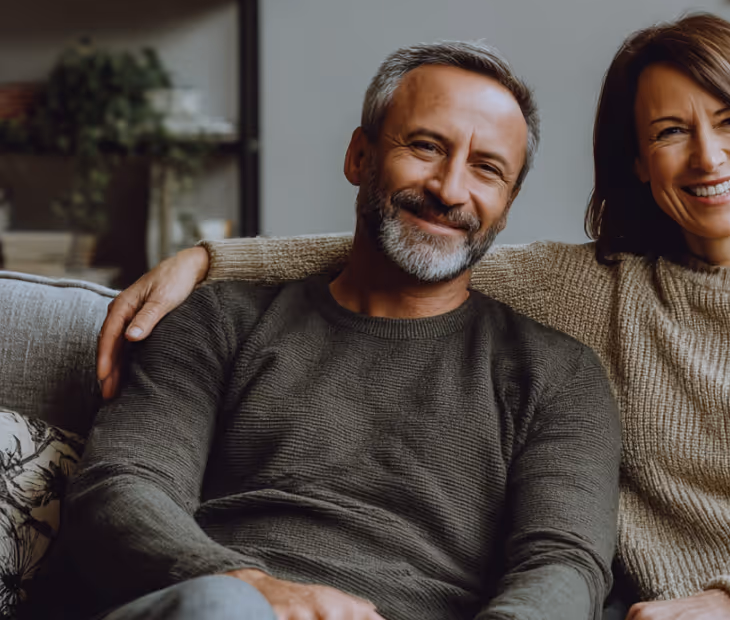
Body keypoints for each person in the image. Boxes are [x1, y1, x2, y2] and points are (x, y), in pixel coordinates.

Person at [97, 14, 730, 620]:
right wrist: (212, 260)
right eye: (669, 131)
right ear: (636, 164)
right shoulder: (601, 290)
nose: (706, 156)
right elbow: (419, 242)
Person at [55, 41, 621, 620]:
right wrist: (249, 586)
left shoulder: (558, 375)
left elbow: (563, 565)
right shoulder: (216, 321)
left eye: (487, 169)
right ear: (358, 156)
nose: (450, 189)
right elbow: (121, 488)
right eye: (426, 147)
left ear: (506, 203)